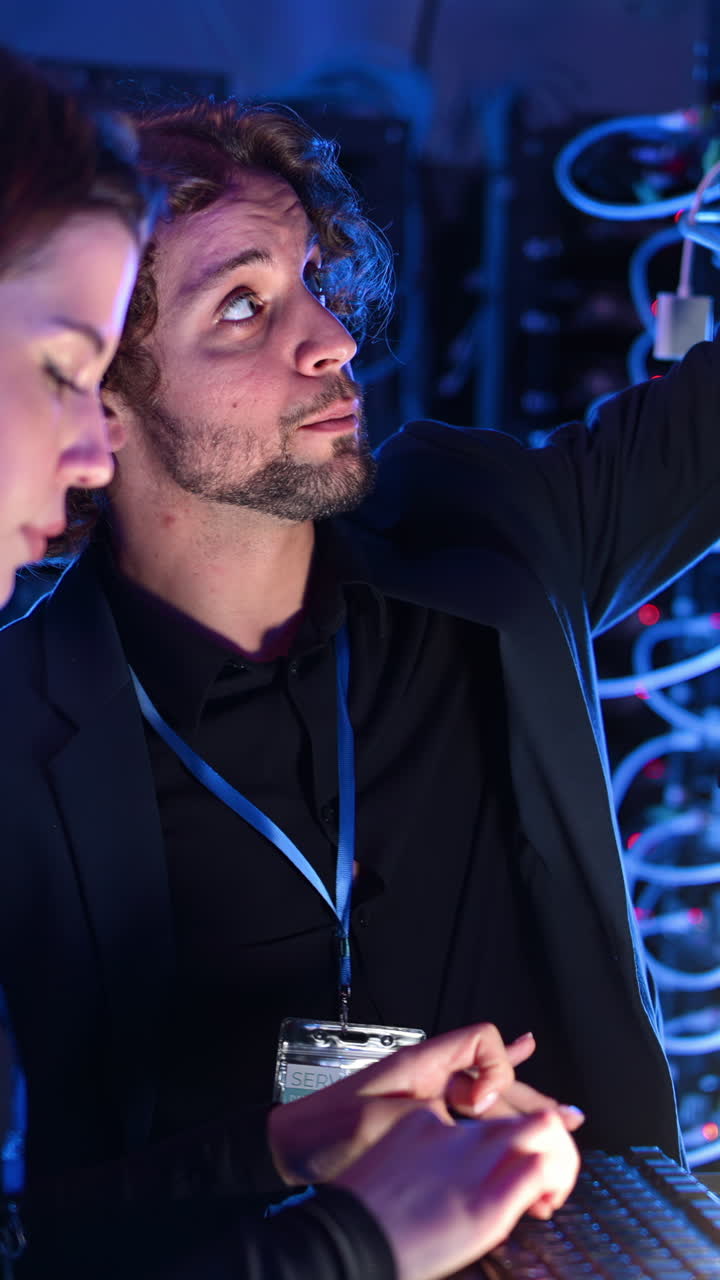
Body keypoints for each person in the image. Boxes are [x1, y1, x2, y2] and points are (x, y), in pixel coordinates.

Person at [0, 93, 690, 1191]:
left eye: (314, 281)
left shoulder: (493, 533)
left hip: (570, 1241)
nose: (331, 340)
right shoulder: (19, 722)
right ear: (102, 397)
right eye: (243, 306)